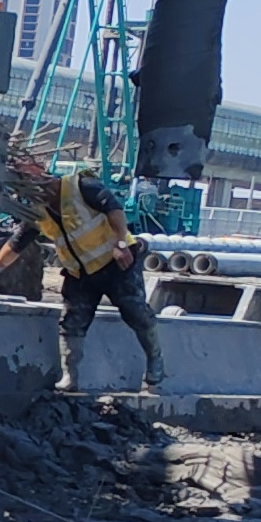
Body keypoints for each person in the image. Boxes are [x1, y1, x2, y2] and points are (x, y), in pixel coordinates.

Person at [26, 163, 166, 393]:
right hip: (81, 273)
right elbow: (17, 242)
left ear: (44, 174)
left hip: (117, 264)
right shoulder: (37, 211)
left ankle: (155, 361)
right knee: (72, 321)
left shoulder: (82, 186)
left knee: (135, 311)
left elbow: (115, 209)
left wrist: (121, 244)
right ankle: (70, 378)